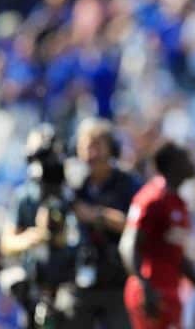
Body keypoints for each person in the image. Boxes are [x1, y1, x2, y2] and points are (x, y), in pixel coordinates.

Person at [60, 117, 142, 329]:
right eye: (84, 147)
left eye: (97, 146)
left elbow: (137, 225)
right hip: (79, 278)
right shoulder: (72, 184)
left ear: (111, 149)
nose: (90, 154)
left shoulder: (127, 182)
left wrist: (96, 215)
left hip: (117, 280)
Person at [119, 141, 195, 329]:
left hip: (170, 290)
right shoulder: (152, 198)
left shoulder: (177, 202)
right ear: (173, 165)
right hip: (153, 292)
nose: (191, 162)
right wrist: (145, 287)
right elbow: (127, 246)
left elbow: (175, 255)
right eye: (185, 158)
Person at [0, 124, 76, 328]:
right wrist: (33, 237)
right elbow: (7, 243)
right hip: (34, 281)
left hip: (68, 282)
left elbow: (76, 237)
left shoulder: (71, 195)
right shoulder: (24, 197)